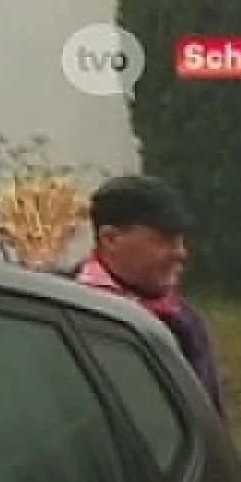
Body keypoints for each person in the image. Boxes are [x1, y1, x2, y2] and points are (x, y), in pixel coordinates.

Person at [73, 175, 226, 416]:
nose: (180, 253)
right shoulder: (71, 315)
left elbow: (211, 425)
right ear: (111, 239)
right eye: (164, 240)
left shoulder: (184, 321)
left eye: (181, 241)